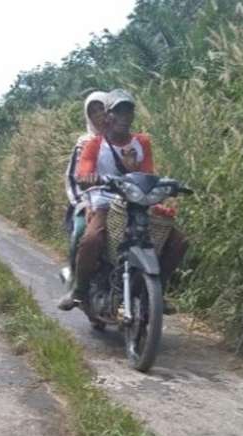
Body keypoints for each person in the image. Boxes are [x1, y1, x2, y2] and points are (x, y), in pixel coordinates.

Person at [57, 89, 188, 311]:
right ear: (108, 116)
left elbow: (147, 174)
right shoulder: (94, 144)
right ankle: (79, 291)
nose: (124, 116)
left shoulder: (142, 142)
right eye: (118, 111)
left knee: (178, 241)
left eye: (128, 111)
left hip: (137, 203)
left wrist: (142, 174)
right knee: (90, 240)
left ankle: (157, 292)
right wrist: (88, 178)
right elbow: (83, 171)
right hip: (106, 204)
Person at [63, 91, 108, 275]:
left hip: (119, 199)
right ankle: (75, 279)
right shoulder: (84, 142)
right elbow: (73, 178)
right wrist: (82, 204)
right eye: (93, 111)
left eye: (102, 109)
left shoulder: (121, 138)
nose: (98, 115)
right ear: (88, 116)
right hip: (86, 200)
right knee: (81, 231)